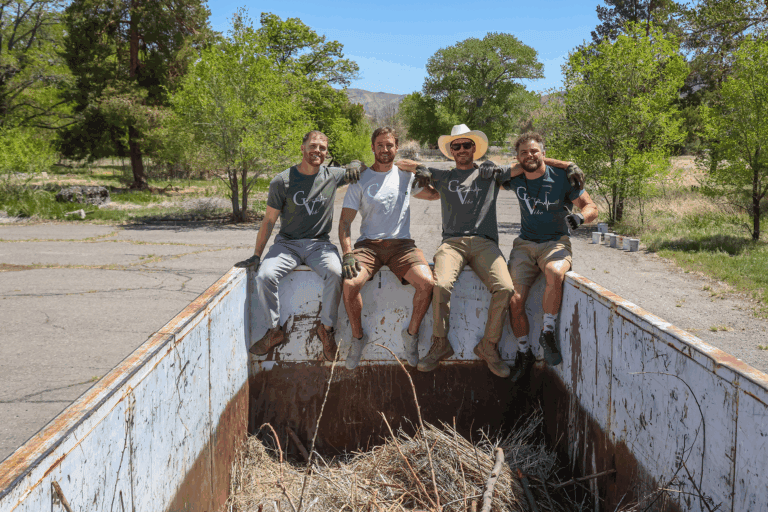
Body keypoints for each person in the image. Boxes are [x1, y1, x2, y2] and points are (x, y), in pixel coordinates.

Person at [398, 124, 579, 377]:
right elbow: (401, 162)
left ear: (475, 148)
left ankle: (489, 346)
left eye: (466, 145)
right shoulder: (442, 175)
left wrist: (566, 163)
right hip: (452, 243)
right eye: (456, 146)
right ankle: (440, 344)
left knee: (505, 289)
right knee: (440, 285)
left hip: (485, 243)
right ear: (451, 151)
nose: (462, 149)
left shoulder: (491, 173)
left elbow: (530, 161)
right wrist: (422, 169)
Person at [235, 130, 361, 361]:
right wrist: (256, 255)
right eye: (313, 146)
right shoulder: (282, 181)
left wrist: (355, 162)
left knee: (335, 272)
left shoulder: (332, 175)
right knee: (264, 276)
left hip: (319, 245)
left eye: (322, 148)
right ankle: (274, 331)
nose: (317, 151)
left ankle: (326, 329)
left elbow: (361, 168)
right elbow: (269, 220)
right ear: (302, 148)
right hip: (288, 245)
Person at [338, 127, 439, 370]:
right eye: (380, 145)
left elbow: (434, 196)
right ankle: (358, 338)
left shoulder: (405, 176)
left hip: (402, 246)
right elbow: (344, 223)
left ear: (397, 148)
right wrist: (347, 253)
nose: (385, 150)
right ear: (372, 147)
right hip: (369, 246)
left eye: (390, 145)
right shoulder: (359, 180)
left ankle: (411, 335)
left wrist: (426, 172)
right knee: (350, 284)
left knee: (427, 283)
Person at [501, 132, 598, 381]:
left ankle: (548, 332)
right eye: (523, 152)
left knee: (555, 273)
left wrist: (580, 218)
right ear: (517, 157)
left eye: (534, 151)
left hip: (555, 242)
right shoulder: (516, 177)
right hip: (524, 245)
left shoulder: (563, 179)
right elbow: (495, 173)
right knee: (514, 300)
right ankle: (524, 353)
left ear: (544, 152)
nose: (529, 156)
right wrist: (565, 161)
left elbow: (591, 207)